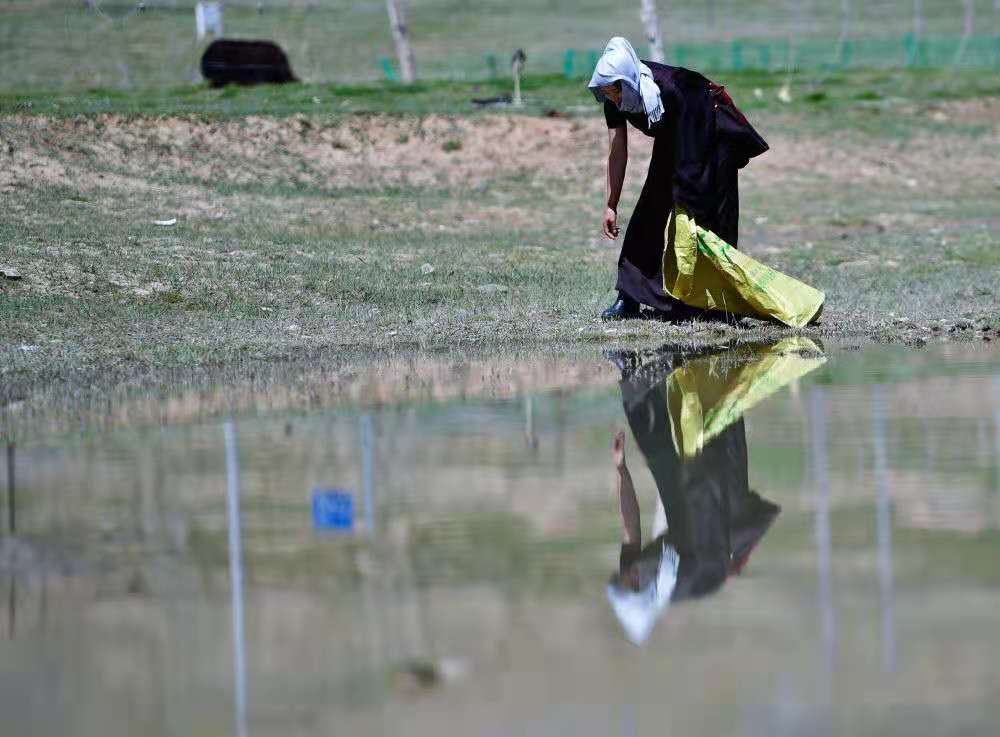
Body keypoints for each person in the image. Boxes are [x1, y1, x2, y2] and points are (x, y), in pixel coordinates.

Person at [605, 346, 781, 644]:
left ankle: (634, 370)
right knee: (711, 431)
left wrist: (621, 469)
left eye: (624, 575)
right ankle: (716, 357)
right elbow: (703, 494)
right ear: (643, 587)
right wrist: (692, 463)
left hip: (685, 520)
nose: (628, 570)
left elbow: (630, 529)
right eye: (630, 578)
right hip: (724, 518)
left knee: (657, 449)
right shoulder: (694, 576)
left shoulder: (634, 572)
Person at [589, 37, 769, 320]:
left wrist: (687, 192)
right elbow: (617, 152)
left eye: (615, 90)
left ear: (629, 79)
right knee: (651, 205)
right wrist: (611, 204)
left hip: (710, 127)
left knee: (707, 211)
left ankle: (715, 303)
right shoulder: (616, 98)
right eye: (606, 92)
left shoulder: (672, 89)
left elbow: (693, 143)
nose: (612, 97)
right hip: (675, 133)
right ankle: (630, 296)